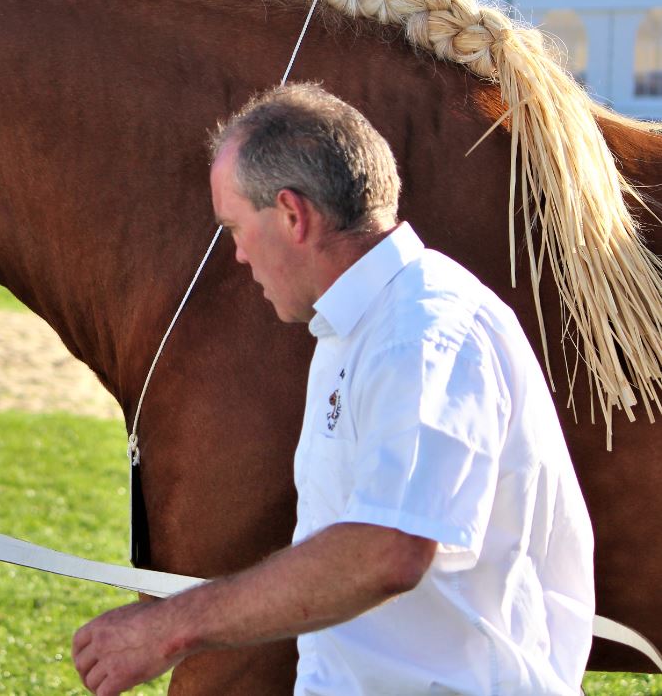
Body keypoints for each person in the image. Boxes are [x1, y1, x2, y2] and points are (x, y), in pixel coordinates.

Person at [72, 84, 593, 695]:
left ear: (293, 215)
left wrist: (172, 628)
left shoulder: (421, 334)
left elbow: (388, 548)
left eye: (234, 227)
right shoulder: (362, 322)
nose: (236, 255)